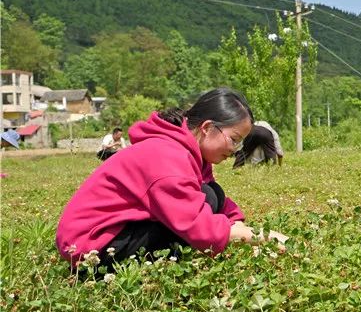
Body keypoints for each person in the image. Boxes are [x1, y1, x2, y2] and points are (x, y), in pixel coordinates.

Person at [56, 88, 284, 270]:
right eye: (234, 139)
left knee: (210, 194)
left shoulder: (189, 151)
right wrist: (261, 237)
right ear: (207, 128)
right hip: (91, 246)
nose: (235, 150)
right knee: (187, 228)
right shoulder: (168, 158)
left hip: (116, 230)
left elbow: (212, 197)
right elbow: (199, 227)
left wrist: (237, 223)